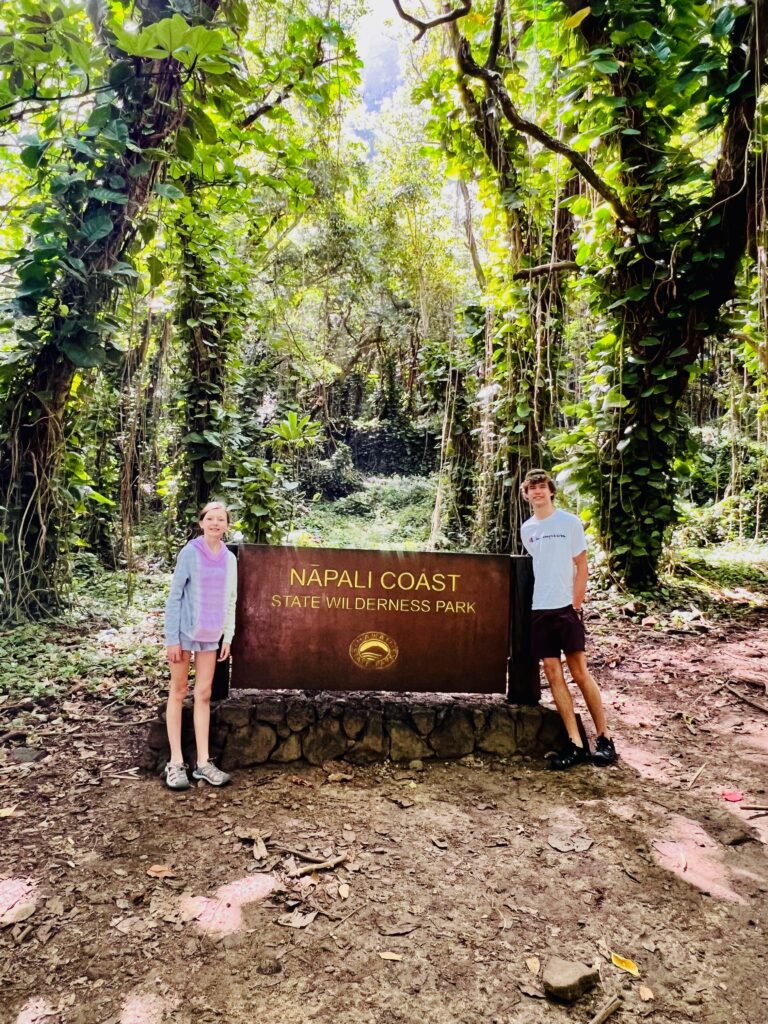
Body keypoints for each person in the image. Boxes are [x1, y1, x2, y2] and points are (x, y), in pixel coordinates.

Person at [520, 469, 617, 770]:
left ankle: (604, 738)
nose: (537, 492)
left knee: (579, 671)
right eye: (531, 488)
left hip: (566, 608)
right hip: (540, 608)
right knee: (552, 672)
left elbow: (581, 566)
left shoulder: (569, 522)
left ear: (551, 491)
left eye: (541, 487)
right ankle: (575, 743)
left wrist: (575, 605)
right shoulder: (528, 529)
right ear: (526, 495)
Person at [164, 500, 238, 789]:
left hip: (211, 635)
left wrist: (227, 636)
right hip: (183, 633)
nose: (216, 523)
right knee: (179, 691)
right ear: (202, 522)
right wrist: (172, 639)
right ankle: (175, 762)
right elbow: (175, 597)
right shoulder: (190, 553)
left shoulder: (230, 559)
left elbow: (231, 599)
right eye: (211, 518)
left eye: (221, 519)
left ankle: (203, 763)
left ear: (227, 526)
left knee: (204, 694)